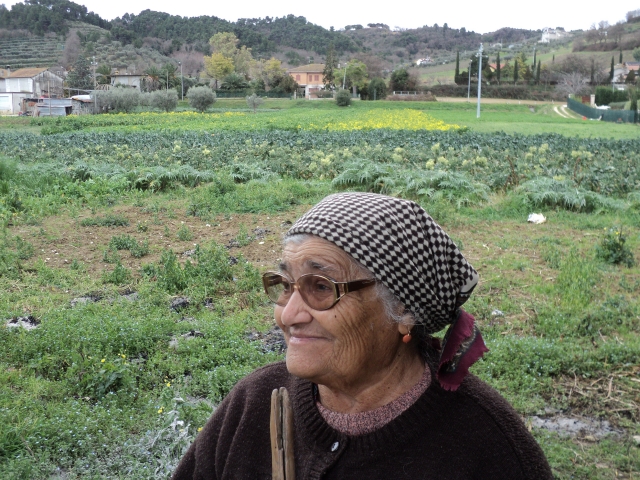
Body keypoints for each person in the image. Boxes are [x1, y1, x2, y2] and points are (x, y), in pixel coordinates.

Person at [172, 192, 553, 480]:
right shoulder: (254, 401)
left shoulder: (485, 443)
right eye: (284, 283)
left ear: (403, 310)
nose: (288, 315)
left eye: (321, 286)